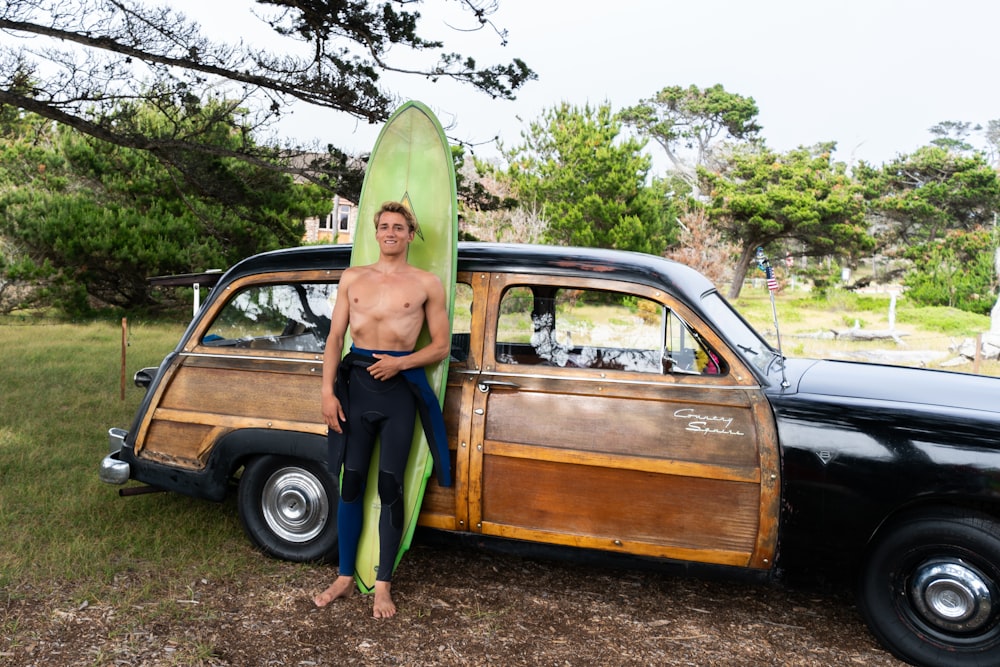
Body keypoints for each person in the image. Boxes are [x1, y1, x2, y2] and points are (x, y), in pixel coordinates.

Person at [313, 201, 451, 618]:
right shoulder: (353, 278)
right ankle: (342, 576)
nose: (391, 232)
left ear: (411, 234)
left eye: (399, 227)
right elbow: (335, 338)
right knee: (350, 482)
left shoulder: (427, 283)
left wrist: (401, 363)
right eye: (384, 226)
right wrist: (326, 392)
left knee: (390, 487)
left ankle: (383, 585)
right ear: (376, 234)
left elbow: (441, 345)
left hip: (398, 394)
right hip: (355, 389)